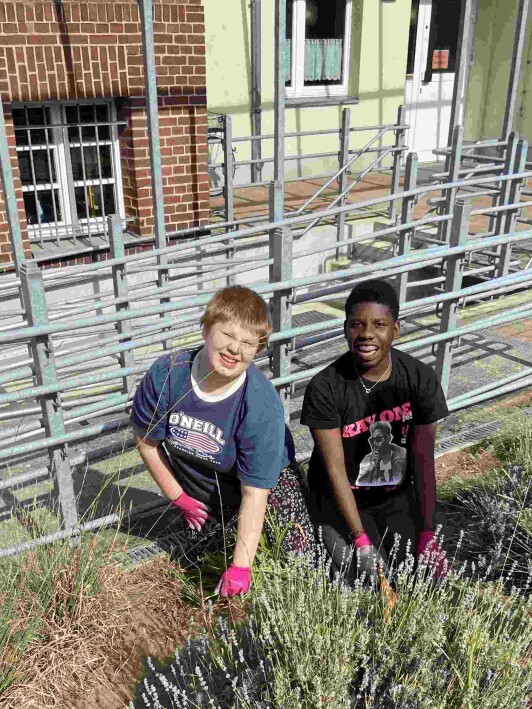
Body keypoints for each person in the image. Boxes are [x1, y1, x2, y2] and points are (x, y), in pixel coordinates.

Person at [131, 286, 313, 597]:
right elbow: (146, 441)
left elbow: (255, 492)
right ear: (206, 329)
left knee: (297, 564)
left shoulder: (260, 403)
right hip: (205, 490)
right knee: (202, 562)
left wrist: (241, 568)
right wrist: (180, 499)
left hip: (266, 487)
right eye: (227, 335)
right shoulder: (168, 375)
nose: (234, 349)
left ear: (257, 349)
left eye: (247, 343)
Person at [300, 279, 449, 584]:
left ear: (395, 329)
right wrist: (360, 541)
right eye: (357, 324)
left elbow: (423, 461)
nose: (367, 334)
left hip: (395, 499)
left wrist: (427, 532)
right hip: (340, 503)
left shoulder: (419, 378)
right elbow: (335, 471)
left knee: (423, 578)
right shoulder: (325, 387)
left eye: (379, 324)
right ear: (345, 328)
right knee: (368, 582)